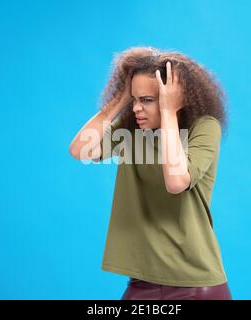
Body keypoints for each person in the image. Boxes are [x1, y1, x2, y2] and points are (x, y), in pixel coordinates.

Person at [69, 47, 232, 300]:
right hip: (143, 282)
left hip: (197, 283)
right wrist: (119, 101)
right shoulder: (132, 130)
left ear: (176, 98)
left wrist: (168, 112)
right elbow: (80, 150)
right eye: (135, 99)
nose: (136, 108)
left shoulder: (205, 127)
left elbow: (177, 181)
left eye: (147, 100)